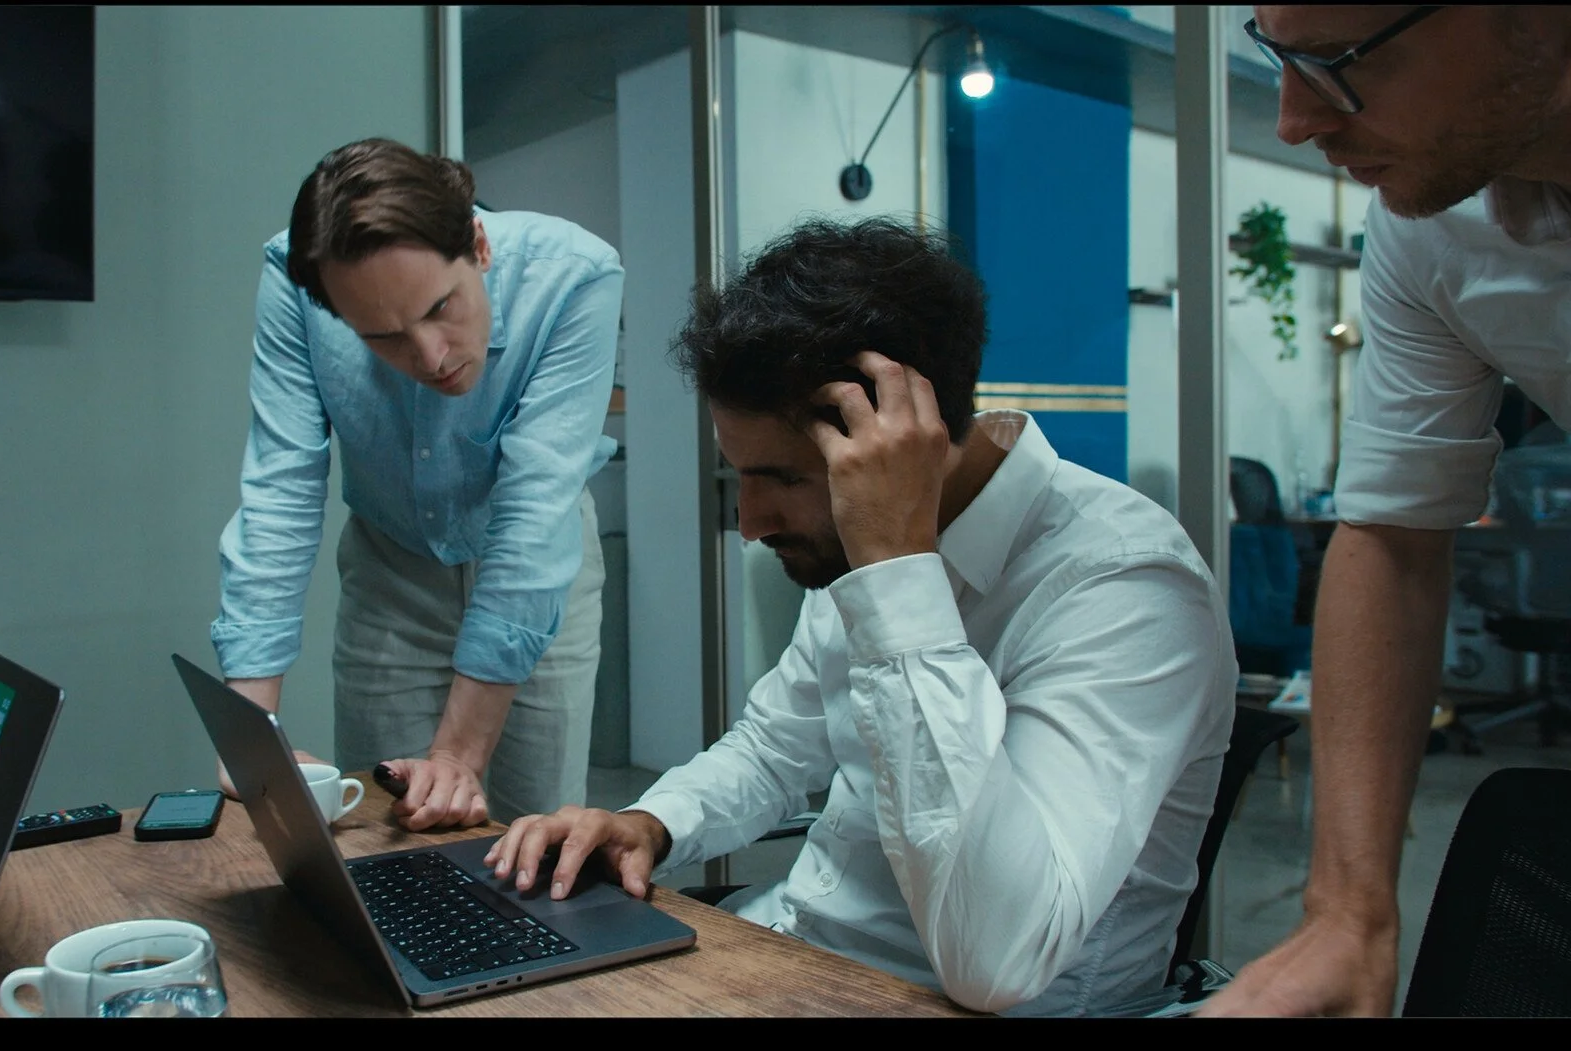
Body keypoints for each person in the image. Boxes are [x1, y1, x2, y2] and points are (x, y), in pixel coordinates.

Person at [481, 217, 1237, 1016]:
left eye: (784, 478)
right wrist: (649, 823)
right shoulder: (856, 549)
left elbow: (1001, 958)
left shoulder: (1125, 584)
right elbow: (776, 746)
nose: (750, 522)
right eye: (738, 474)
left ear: (907, 441)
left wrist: (899, 575)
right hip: (788, 953)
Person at [1205, 6, 1571, 1017]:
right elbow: (1395, 535)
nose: (1291, 118)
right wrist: (1347, 912)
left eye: (1339, 63)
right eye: (1278, 58)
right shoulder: (1432, 225)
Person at [210, 138, 624, 832]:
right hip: (391, 575)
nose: (430, 356)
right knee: (387, 831)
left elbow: (533, 515)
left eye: (439, 308)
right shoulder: (293, 278)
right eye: (383, 336)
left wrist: (458, 755)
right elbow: (281, 486)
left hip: (537, 571)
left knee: (533, 835)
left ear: (479, 247)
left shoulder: (574, 277)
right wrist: (248, 729)